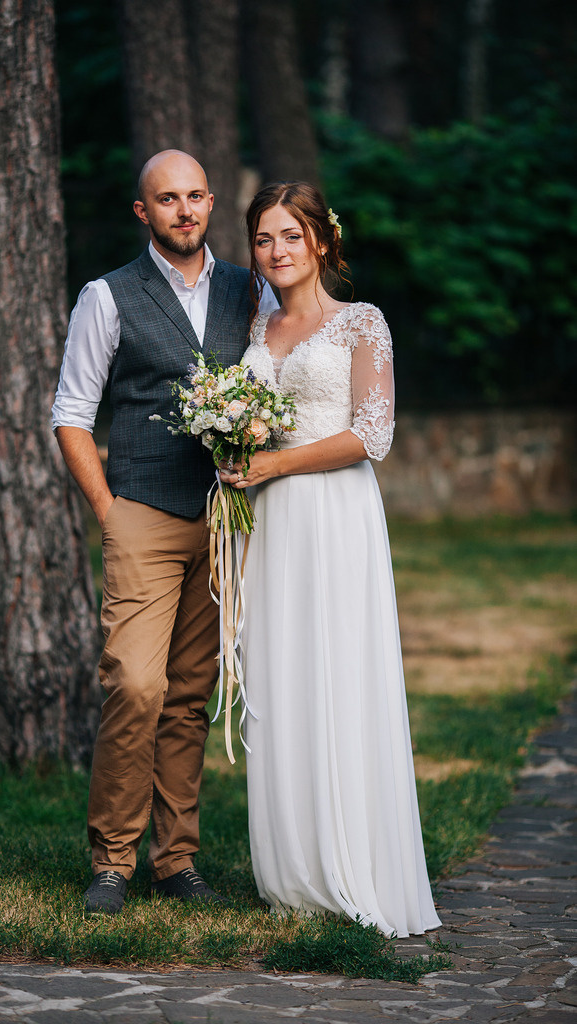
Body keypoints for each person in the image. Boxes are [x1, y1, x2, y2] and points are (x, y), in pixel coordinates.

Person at [52, 149, 275, 915]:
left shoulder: (250, 288)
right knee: (135, 686)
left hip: (221, 517)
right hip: (142, 511)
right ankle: (112, 860)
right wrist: (109, 510)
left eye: (195, 196)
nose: (184, 210)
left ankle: (175, 860)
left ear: (211, 203)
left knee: (186, 694)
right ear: (142, 212)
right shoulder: (107, 296)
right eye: (167, 199)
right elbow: (71, 412)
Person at [220, 181, 442, 938]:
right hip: (268, 523)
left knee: (338, 670)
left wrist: (274, 464)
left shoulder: (361, 322)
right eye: (262, 239)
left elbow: (370, 434)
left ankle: (355, 863)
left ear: (320, 240)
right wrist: (230, 444)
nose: (275, 251)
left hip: (334, 514)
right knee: (280, 674)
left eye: (290, 235)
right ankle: (293, 872)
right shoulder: (256, 323)